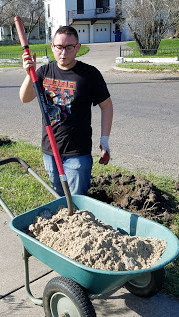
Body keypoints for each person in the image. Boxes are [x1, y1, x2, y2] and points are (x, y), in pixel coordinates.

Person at [19, 26, 113, 196]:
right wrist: (28, 74)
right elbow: (25, 98)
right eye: (59, 47)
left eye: (69, 47)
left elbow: (106, 106)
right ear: (52, 46)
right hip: (50, 150)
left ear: (77, 47)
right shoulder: (44, 72)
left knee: (77, 200)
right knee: (59, 197)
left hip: (78, 153)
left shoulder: (90, 75)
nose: (63, 53)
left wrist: (104, 140)